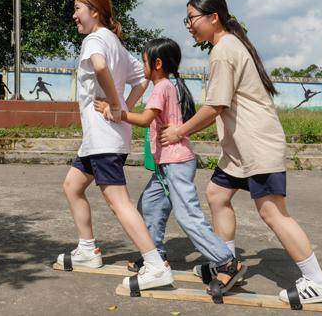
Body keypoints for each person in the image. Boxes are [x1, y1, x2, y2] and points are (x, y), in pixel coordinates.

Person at [160, 0, 322, 307]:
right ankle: (226, 263)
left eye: (192, 18)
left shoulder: (224, 51)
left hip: (257, 146)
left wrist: (179, 132)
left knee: (272, 212)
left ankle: (318, 280)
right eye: (186, 19)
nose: (188, 24)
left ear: (213, 17)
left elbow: (215, 105)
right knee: (217, 194)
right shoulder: (225, 46)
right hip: (239, 150)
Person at [94, 38, 247, 300]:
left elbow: (144, 119)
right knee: (149, 207)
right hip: (167, 166)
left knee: (188, 216)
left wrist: (114, 111)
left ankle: (226, 262)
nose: (142, 66)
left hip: (176, 164)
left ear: (157, 63)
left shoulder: (162, 86)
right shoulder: (172, 84)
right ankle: (156, 256)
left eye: (144, 61)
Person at [55, 0, 173, 292]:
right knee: (72, 185)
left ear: (94, 12)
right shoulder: (116, 43)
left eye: (78, 9)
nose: (74, 15)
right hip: (101, 138)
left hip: (104, 138)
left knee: (119, 202)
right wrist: (125, 107)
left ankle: (155, 264)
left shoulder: (96, 39)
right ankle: (87, 250)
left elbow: (100, 66)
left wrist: (117, 105)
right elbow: (143, 76)